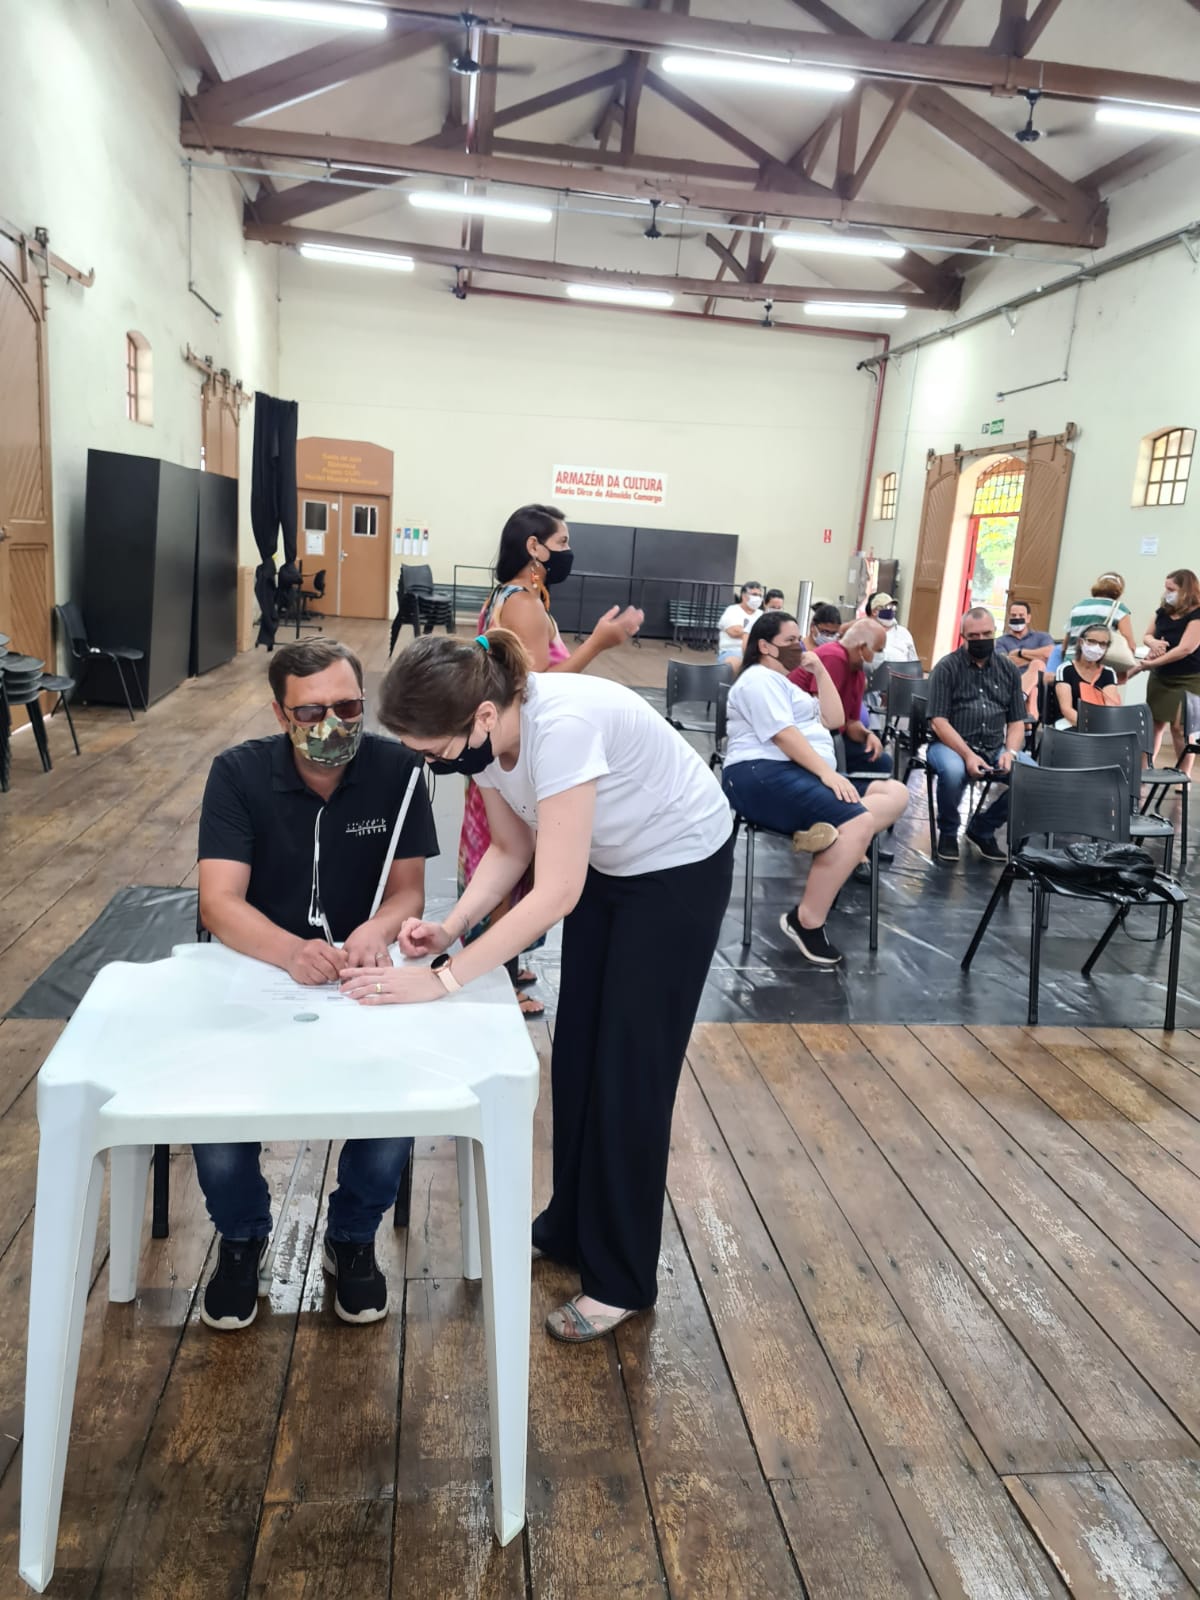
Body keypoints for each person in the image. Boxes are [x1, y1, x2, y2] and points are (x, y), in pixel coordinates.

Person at [348, 631, 734, 1344]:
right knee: (579, 1052)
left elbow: (555, 892)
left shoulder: (562, 729)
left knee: (631, 1074)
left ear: (482, 717)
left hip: (679, 867)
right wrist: (451, 928)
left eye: (432, 751)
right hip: (610, 865)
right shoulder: (487, 736)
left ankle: (621, 1278)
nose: (429, 764)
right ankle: (568, 1227)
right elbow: (512, 847)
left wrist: (443, 980)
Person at [196, 637, 439, 1331]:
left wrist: (377, 929)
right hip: (258, 966)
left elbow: (409, 892)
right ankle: (241, 1237)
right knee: (217, 1095)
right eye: (310, 713)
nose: (332, 724)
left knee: (393, 1089)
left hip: (359, 973)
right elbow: (219, 903)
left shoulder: (399, 771)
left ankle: (352, 1236)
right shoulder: (238, 774)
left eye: (348, 707)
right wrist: (288, 951)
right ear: (280, 714)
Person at [457, 504, 643, 1018]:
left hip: (506, 747)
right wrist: (600, 644)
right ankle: (495, 975)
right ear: (534, 547)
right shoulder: (524, 605)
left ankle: (505, 963)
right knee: (512, 862)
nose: (567, 552)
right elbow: (537, 687)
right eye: (561, 543)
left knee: (511, 858)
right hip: (516, 752)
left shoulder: (510, 596)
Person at [720, 611, 908, 966]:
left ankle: (823, 833)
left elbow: (833, 719)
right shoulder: (758, 679)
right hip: (761, 773)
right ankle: (805, 920)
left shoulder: (787, 684)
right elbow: (783, 735)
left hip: (801, 774)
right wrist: (827, 774)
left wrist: (819, 670)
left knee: (895, 792)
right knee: (859, 822)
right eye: (790, 641)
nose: (800, 646)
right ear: (765, 646)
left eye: (799, 639)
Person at [926, 606, 1034, 862]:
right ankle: (948, 832)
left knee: (1032, 777)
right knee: (953, 772)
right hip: (951, 745)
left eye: (986, 634)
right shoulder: (947, 668)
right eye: (973, 636)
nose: (981, 640)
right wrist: (967, 755)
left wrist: (1011, 752)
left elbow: (1017, 721)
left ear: (995, 632)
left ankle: (982, 829)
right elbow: (938, 722)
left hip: (995, 746)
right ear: (963, 636)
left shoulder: (1008, 669)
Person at [789, 618, 895, 789]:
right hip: (806, 734)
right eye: (879, 650)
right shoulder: (834, 658)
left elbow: (851, 723)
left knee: (881, 761)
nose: (881, 656)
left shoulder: (858, 671)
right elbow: (822, 716)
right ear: (861, 648)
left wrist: (868, 735)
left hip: (833, 734)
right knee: (880, 766)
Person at [1128, 567, 1200, 774]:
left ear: (1186, 590)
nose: (1167, 592)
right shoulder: (1163, 611)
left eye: (1171, 589)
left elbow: (1186, 649)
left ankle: (1183, 776)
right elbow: (1147, 635)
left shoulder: (1197, 614)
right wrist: (1153, 643)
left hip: (1188, 677)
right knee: (1153, 724)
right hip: (1161, 676)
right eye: (1166, 588)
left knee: (1180, 728)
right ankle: (1144, 773)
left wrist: (1152, 663)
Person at [997, 599, 1056, 717]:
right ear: (1009, 617)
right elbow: (1005, 662)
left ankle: (1018, 700)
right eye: (1014, 615)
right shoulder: (1001, 641)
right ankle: (1029, 721)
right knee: (1033, 688)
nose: (1017, 618)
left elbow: (1049, 653)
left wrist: (1020, 653)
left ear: (1028, 618)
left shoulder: (1042, 637)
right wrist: (1036, 656)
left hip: (1040, 681)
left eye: (1021, 615)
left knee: (1037, 664)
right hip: (1011, 679)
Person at [1062, 571, 1137, 665]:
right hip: (1097, 662)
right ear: (1119, 590)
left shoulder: (1078, 606)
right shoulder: (1119, 608)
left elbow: (1066, 641)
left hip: (1071, 659)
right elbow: (1130, 644)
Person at [1054, 623, 1120, 726]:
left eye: (1102, 644)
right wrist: (1088, 726)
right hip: (1069, 722)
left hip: (1100, 725)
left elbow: (1111, 708)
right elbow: (1066, 709)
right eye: (1092, 641)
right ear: (1081, 642)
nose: (1097, 647)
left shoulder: (1108, 673)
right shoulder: (1065, 670)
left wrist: (1100, 727)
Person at [717, 581, 764, 663]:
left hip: (756, 653)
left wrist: (745, 631)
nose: (758, 598)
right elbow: (734, 632)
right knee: (736, 663)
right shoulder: (732, 610)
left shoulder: (761, 614)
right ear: (743, 596)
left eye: (760, 595)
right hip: (732, 652)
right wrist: (758, 634)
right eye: (754, 594)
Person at [865, 591, 919, 664]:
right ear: (875, 611)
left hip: (901, 670)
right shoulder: (865, 632)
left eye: (893, 607)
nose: (891, 610)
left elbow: (913, 662)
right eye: (887, 607)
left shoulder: (904, 633)